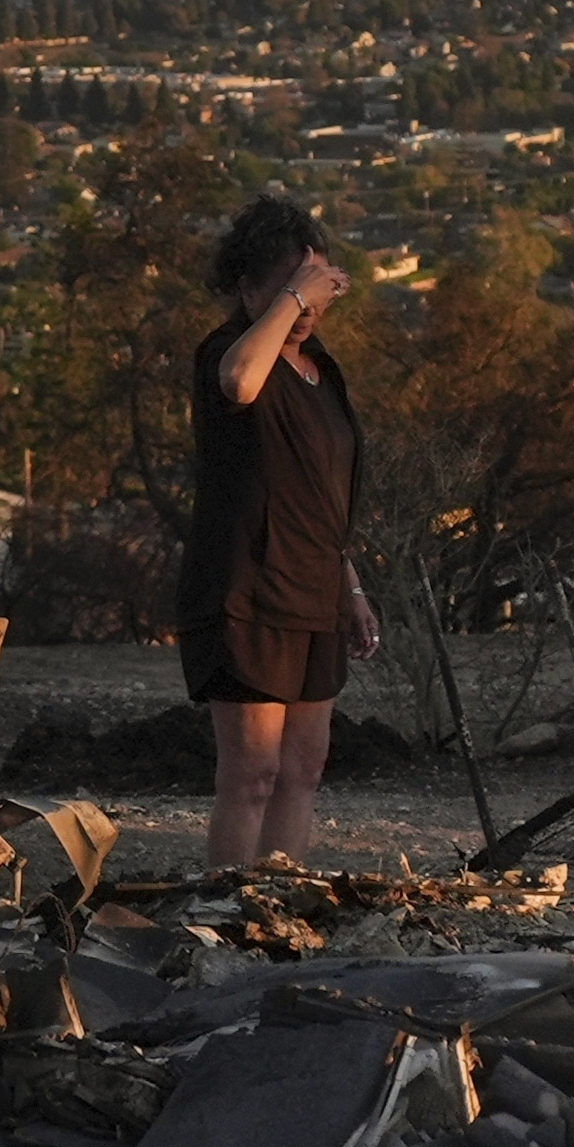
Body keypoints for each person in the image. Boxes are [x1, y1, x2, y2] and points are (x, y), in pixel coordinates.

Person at [176, 190, 379, 874]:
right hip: (248, 591)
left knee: (303, 768)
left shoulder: (323, 372)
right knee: (252, 773)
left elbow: (323, 491)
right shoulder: (227, 357)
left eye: (317, 291)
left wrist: (350, 585)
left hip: (314, 587)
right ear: (246, 286)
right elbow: (240, 381)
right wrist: (291, 299)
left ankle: (281, 907)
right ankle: (224, 914)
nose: (307, 308)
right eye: (291, 290)